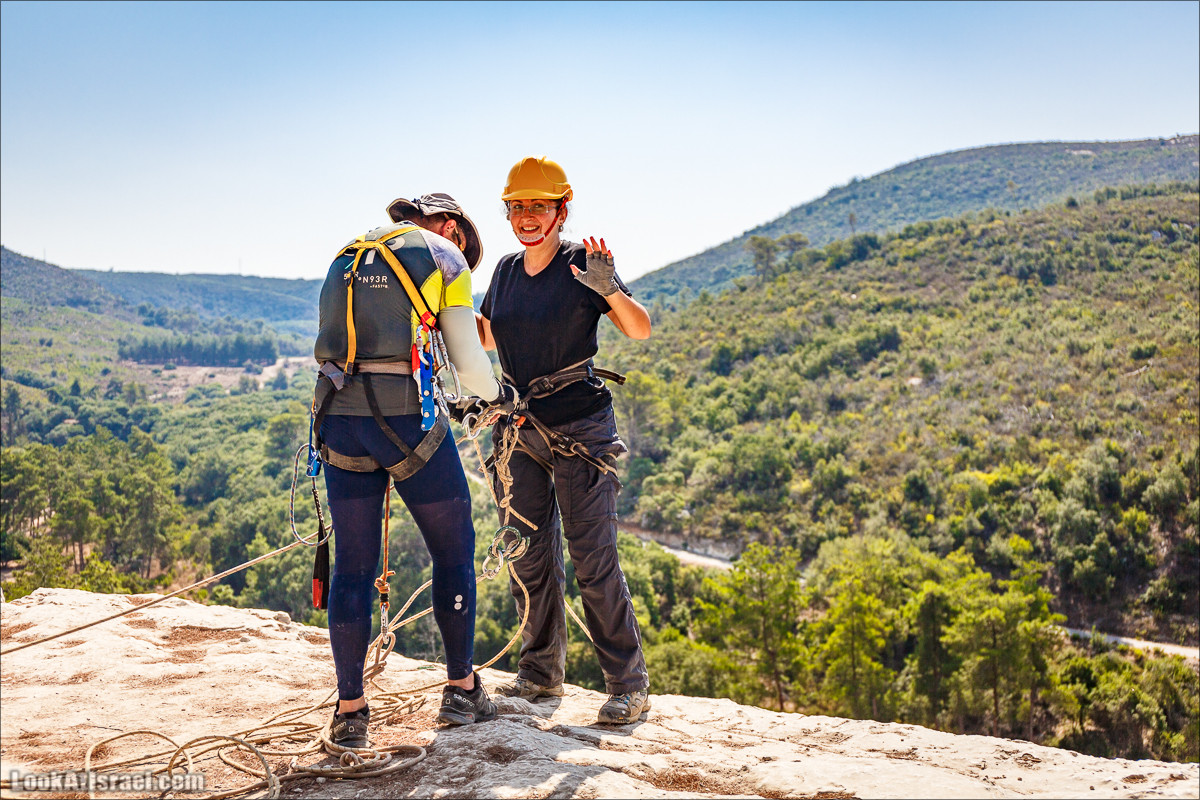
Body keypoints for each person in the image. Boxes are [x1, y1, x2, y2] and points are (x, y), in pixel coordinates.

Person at [311, 193, 516, 747]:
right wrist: (499, 395)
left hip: (338, 418)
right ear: (449, 226)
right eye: (463, 243)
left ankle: (350, 713)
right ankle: (462, 690)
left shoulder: (350, 252)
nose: (462, 253)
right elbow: (468, 360)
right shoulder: (443, 255)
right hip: (403, 418)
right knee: (454, 549)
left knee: (353, 567)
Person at [475, 156, 654, 725]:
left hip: (580, 428)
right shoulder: (505, 271)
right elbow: (488, 335)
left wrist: (610, 289)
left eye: (538, 206)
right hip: (521, 427)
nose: (526, 216)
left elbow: (639, 328)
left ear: (561, 209)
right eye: (517, 207)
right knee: (526, 555)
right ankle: (539, 675)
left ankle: (628, 686)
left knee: (592, 559)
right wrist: (438, 313)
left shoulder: (582, 265)